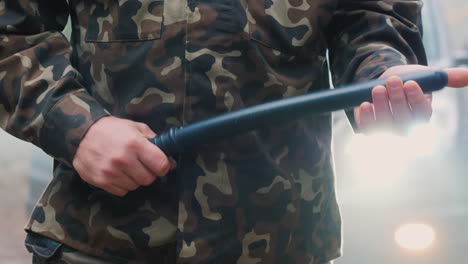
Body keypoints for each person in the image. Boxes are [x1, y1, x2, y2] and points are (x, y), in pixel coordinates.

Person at [0, 0, 467, 263]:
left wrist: (384, 76)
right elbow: (11, 30)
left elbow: (371, 19)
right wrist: (77, 125)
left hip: (280, 241)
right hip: (102, 242)